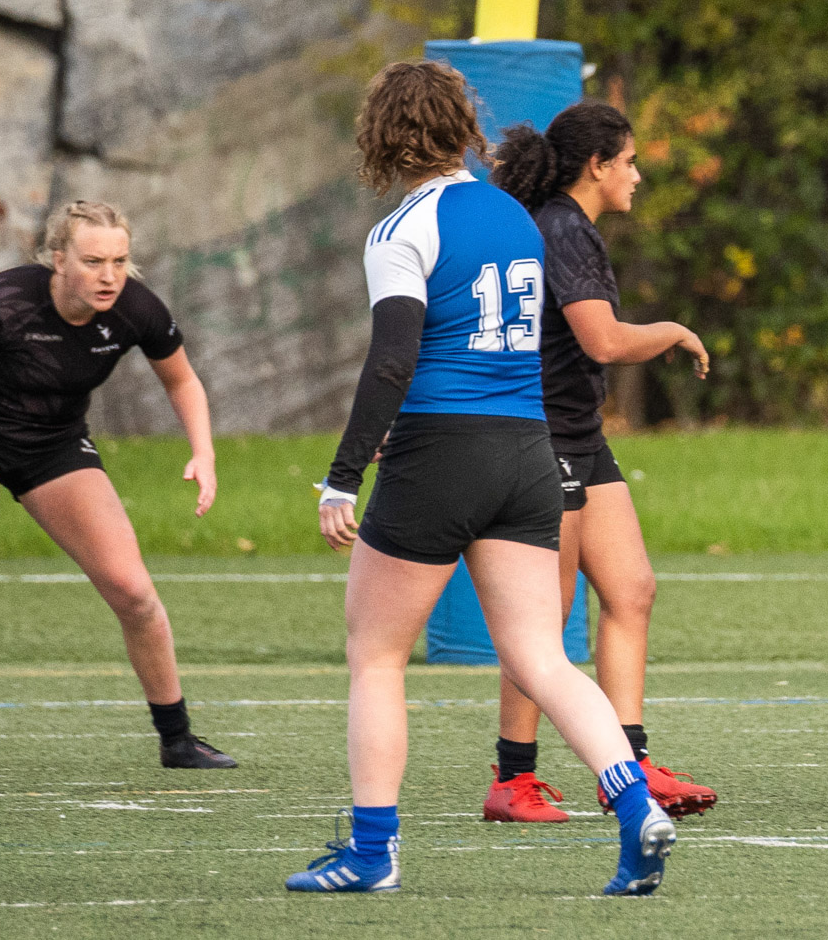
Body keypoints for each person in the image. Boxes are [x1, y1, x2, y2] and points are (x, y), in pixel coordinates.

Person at [287, 59, 674, 895]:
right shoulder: (514, 215)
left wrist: (342, 475)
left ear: (383, 134)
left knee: (377, 653)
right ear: (462, 124)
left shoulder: (401, 228)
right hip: (528, 449)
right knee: (542, 653)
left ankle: (370, 852)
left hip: (442, 449)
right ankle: (634, 799)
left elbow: (395, 359)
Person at [480, 104, 716, 823]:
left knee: (632, 588)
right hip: (542, 437)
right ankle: (512, 779)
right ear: (598, 165)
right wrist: (674, 329)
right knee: (540, 617)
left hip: (581, 434)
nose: (639, 175)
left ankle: (631, 764)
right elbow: (604, 340)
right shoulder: (561, 227)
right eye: (631, 161)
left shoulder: (567, 226)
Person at [0, 200, 232, 770]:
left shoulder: (135, 309)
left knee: (133, 592)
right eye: (94, 261)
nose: (110, 275)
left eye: (120, 260)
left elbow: (183, 381)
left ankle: (178, 739)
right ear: (58, 260)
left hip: (54, 447)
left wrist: (204, 452)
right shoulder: (1, 303)